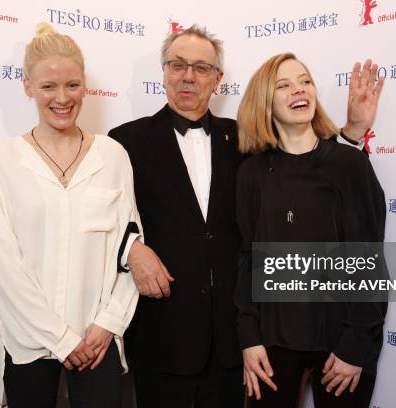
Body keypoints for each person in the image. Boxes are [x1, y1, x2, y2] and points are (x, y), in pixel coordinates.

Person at [110, 26, 380, 408]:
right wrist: (132, 248)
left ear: (218, 78)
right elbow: (104, 216)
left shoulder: (244, 142)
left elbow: (306, 171)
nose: (189, 75)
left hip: (232, 346)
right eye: (178, 65)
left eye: (202, 67)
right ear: (164, 71)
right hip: (165, 337)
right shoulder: (123, 141)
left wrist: (351, 135)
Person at [0, 23, 140, 408]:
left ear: (85, 85)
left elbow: (131, 246)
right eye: (49, 86)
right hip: (30, 341)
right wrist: (62, 339)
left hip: (98, 341)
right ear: (27, 87)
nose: (62, 98)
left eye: (72, 85)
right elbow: (3, 264)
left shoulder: (112, 155)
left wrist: (109, 323)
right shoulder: (1, 161)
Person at [234, 53, 387, 408]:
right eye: (283, 85)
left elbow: (369, 261)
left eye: (305, 81)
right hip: (271, 345)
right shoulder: (251, 174)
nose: (298, 90)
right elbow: (247, 259)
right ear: (265, 101)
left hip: (341, 343)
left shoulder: (349, 164)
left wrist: (355, 346)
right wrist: (248, 338)